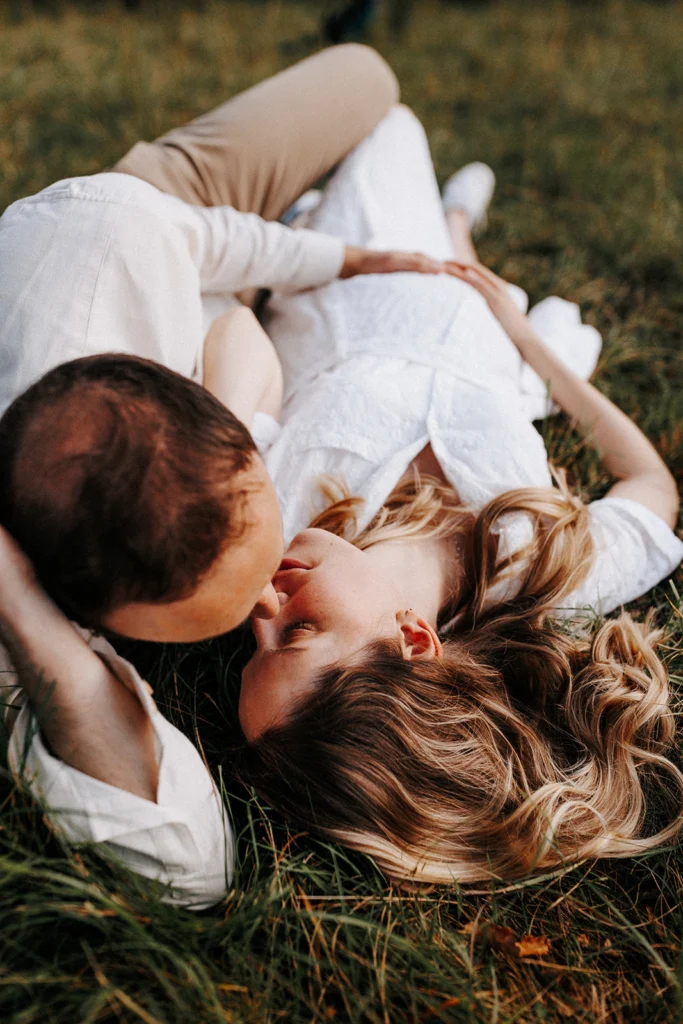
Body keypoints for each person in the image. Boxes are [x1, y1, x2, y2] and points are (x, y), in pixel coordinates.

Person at [0, 49, 453, 910]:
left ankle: (326, 221)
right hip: (142, 235)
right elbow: (188, 866)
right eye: (287, 629)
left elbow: (206, 245)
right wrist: (17, 597)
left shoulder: (121, 247)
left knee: (369, 78)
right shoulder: (62, 525)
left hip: (160, 224)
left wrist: (344, 258)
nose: (264, 606)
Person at [238, 106, 683, 884]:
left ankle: (375, 221)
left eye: (253, 649)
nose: (262, 610)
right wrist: (528, 341)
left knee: (386, 122)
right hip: (485, 333)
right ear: (415, 639)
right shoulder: (546, 573)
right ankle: (452, 220)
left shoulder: (273, 511)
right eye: (299, 632)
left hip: (350, 277)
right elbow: (649, 484)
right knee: (399, 137)